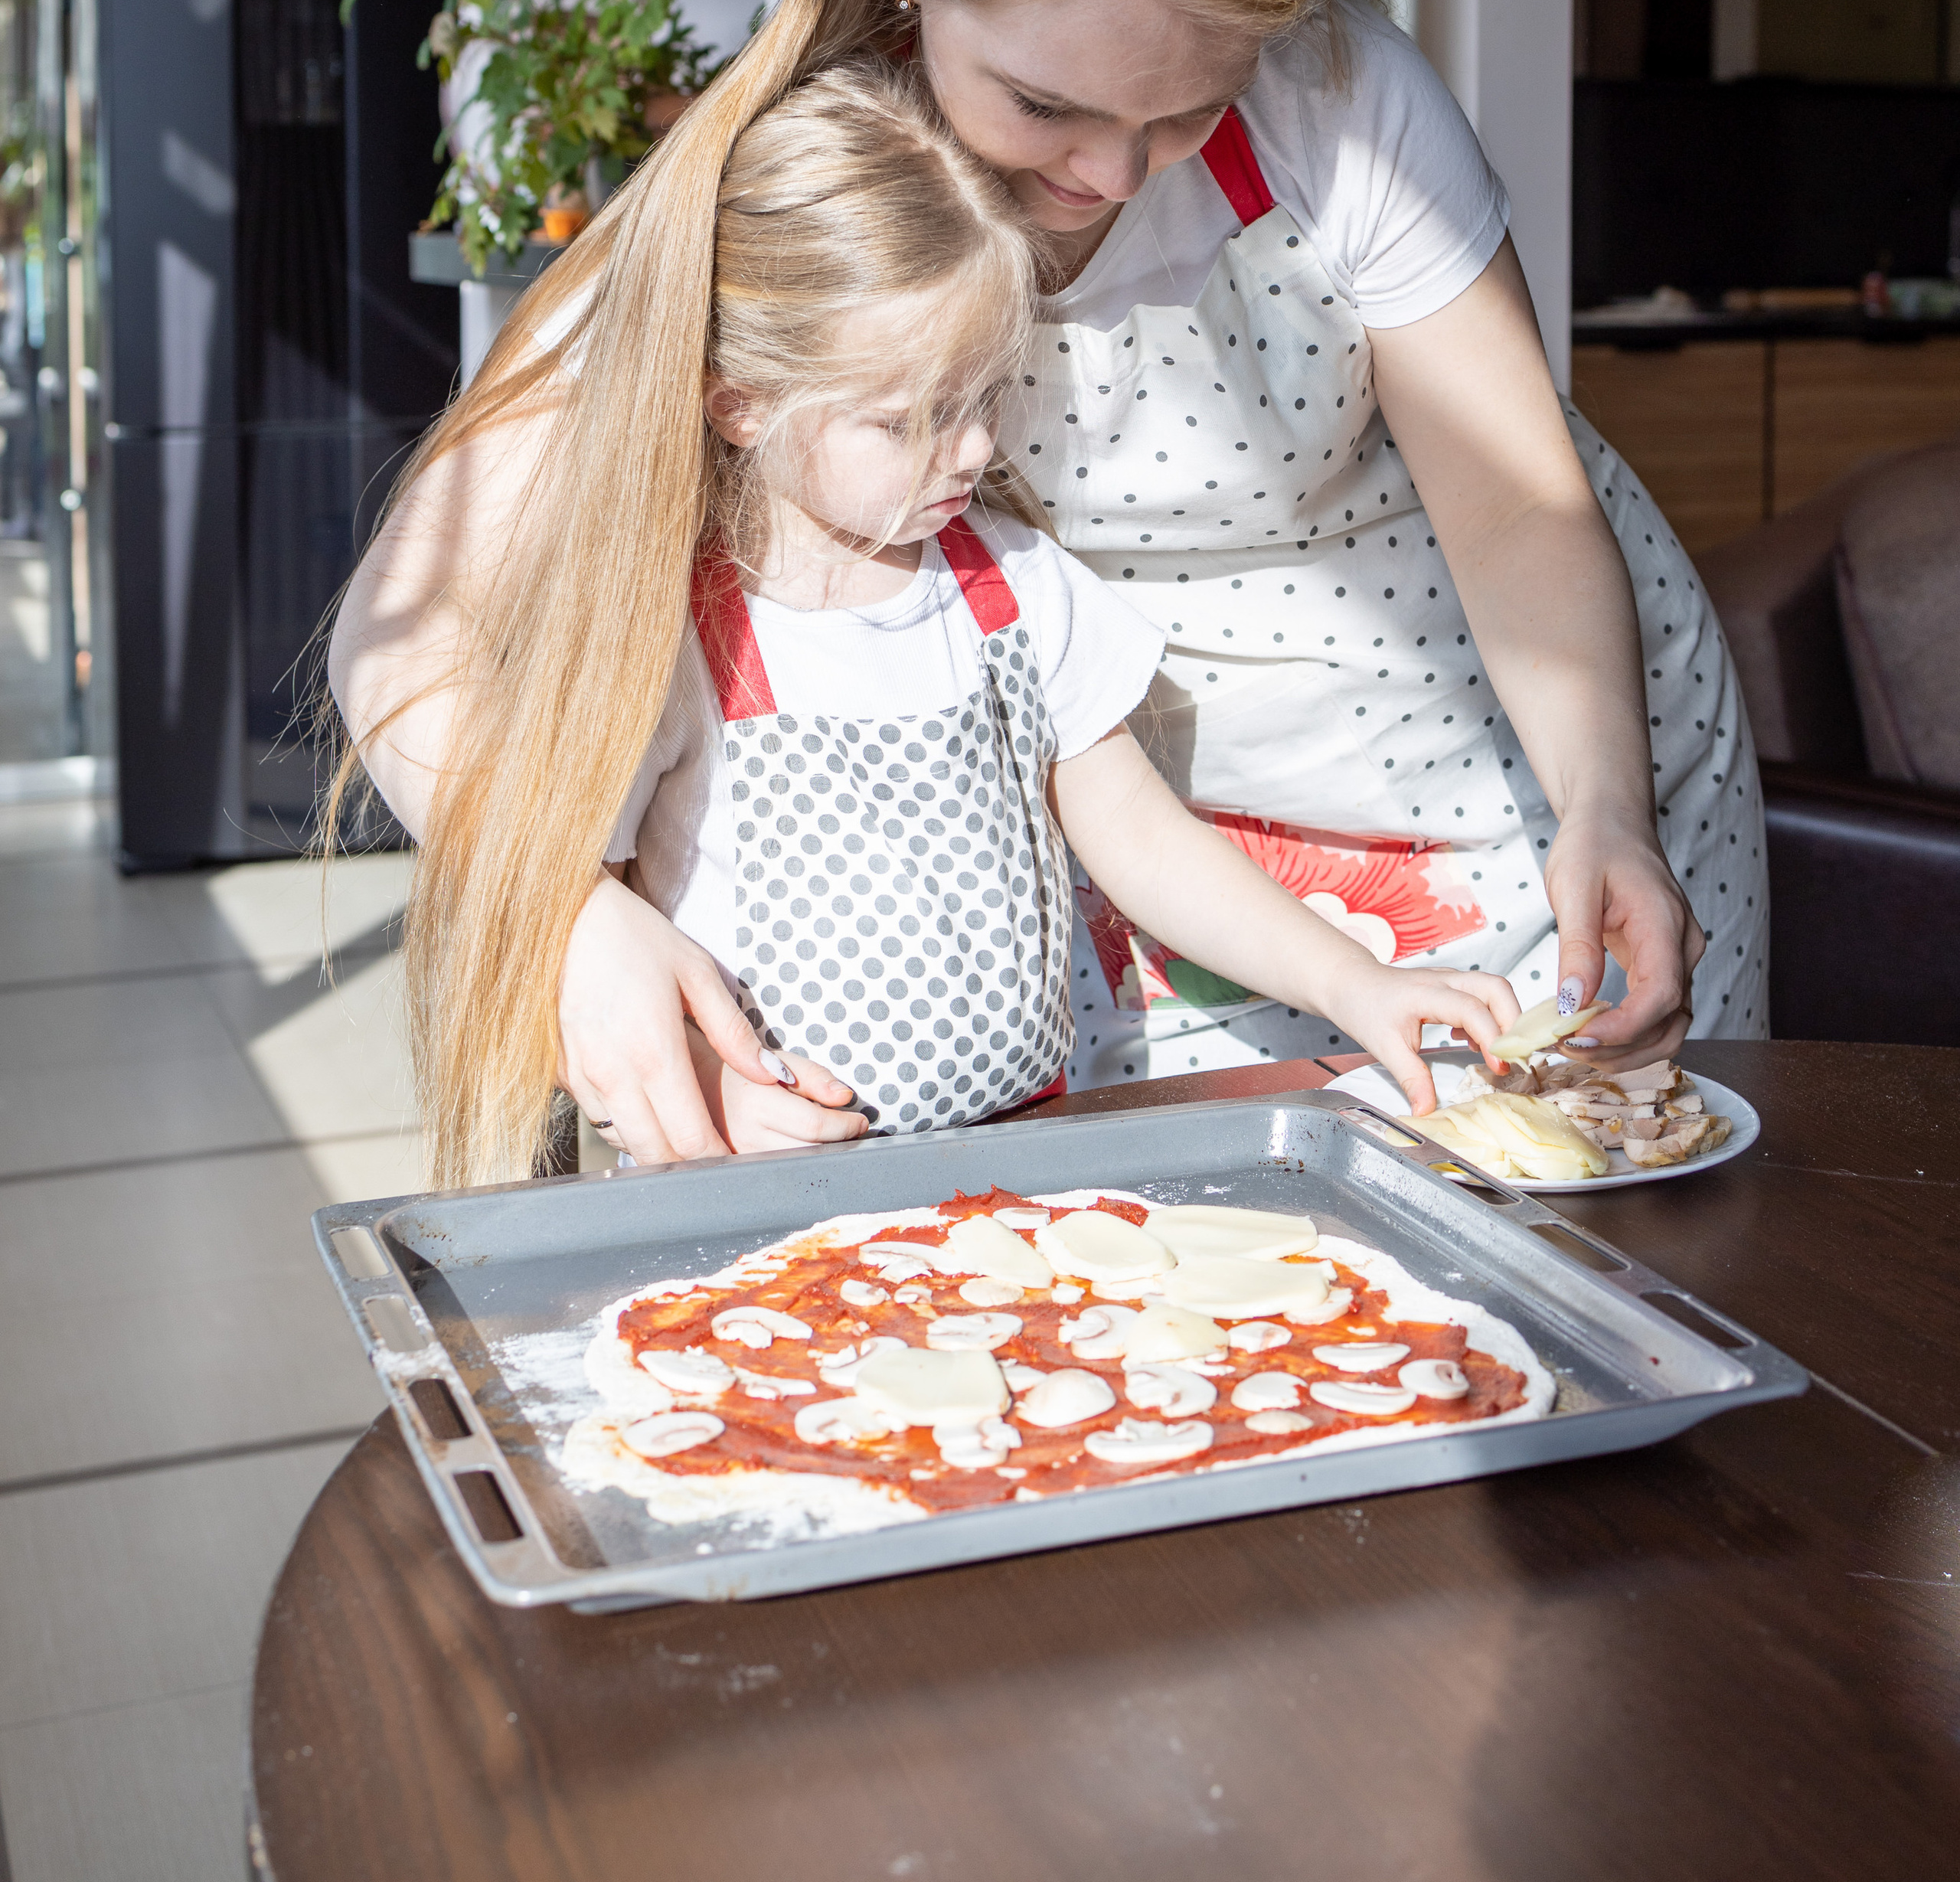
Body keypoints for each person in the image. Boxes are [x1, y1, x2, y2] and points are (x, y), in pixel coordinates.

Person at [332, 0, 1764, 1175]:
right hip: (1156, 833)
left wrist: (1600, 804)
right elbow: (406, 631)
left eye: (1183, 112)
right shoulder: (794, 176)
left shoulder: (1340, 96)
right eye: (1040, 106)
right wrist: (563, 918)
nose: (1110, 172)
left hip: (1517, 769)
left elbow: (1513, 515)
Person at [330, 61, 1517, 1183]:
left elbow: (1147, 846)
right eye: (904, 421)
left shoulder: (1018, 588)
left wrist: (1352, 981)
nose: (975, 450)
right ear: (740, 407)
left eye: (984, 396)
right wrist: (710, 1098)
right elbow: (589, 936)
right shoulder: (679, 644)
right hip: (755, 1183)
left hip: (1023, 1168)